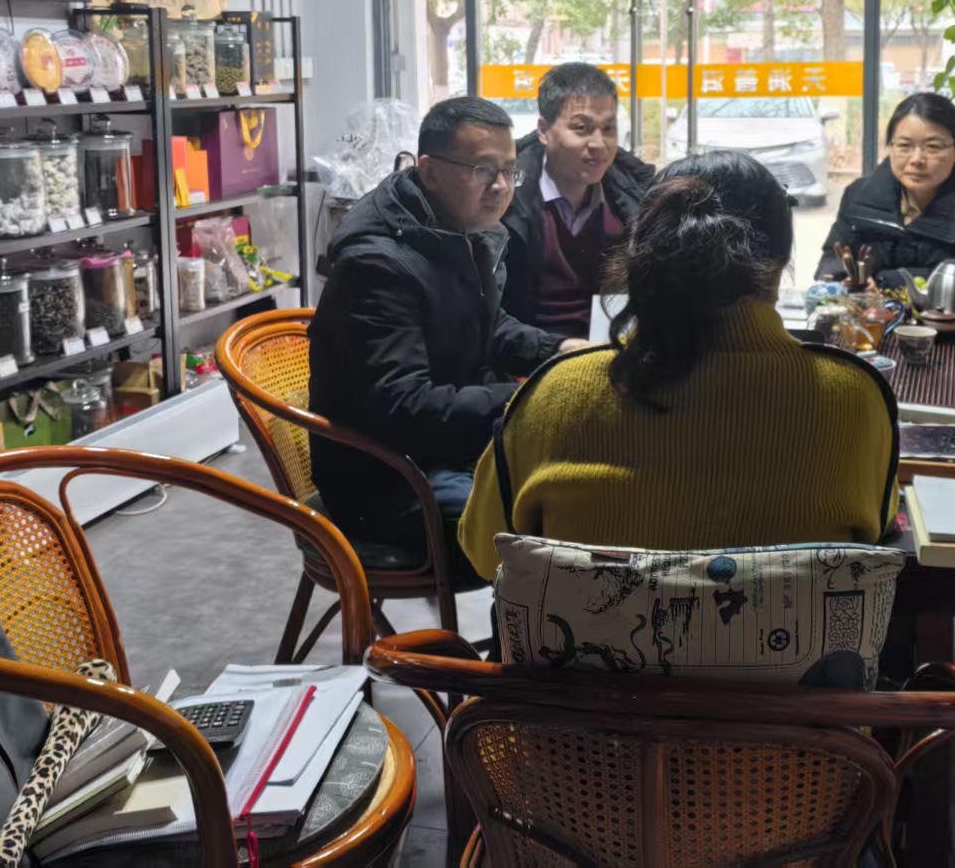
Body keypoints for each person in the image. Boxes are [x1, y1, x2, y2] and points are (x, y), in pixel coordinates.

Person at [459, 150, 900, 576]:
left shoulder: (554, 395)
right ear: (782, 259)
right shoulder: (854, 397)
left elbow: (484, 552)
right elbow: (874, 530)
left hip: (580, 633)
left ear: (643, 253)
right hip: (794, 633)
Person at [308, 96, 584, 579]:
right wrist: (529, 397)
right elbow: (405, 406)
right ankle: (530, 628)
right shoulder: (378, 265)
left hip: (442, 450)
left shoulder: (453, 229)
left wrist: (558, 352)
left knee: (580, 484)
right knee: (549, 518)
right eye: (483, 171)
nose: (501, 187)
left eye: (509, 171)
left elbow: (484, 324)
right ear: (431, 172)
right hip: (388, 480)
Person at [501, 63, 655, 338]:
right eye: (581, 128)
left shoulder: (636, 193)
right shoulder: (502, 194)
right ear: (543, 130)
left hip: (613, 349)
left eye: (608, 128)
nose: (599, 144)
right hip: (526, 352)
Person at [817, 92, 955, 289]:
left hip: (953, 310)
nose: (917, 159)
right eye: (905, 146)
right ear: (890, 147)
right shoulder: (859, 195)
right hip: (865, 309)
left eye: (933, 147)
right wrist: (848, 279)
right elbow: (831, 261)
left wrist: (886, 281)